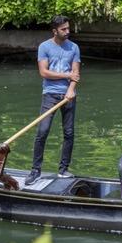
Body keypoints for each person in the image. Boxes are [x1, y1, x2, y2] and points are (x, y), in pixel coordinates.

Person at [26, 15, 81, 185]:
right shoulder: (44, 47)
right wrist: (67, 75)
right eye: (63, 29)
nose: (67, 32)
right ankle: (35, 170)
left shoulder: (74, 47)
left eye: (68, 28)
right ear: (54, 31)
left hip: (68, 95)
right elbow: (44, 72)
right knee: (42, 131)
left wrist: (71, 90)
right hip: (50, 94)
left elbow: (76, 74)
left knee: (69, 133)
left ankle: (63, 170)